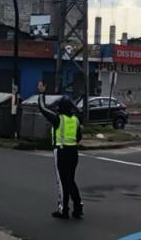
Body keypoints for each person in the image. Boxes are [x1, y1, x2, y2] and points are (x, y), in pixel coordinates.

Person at [37, 81, 84, 219]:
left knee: (62, 182)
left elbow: (42, 108)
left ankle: (63, 210)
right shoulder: (75, 120)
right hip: (74, 152)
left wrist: (41, 93)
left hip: (61, 152)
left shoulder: (58, 119)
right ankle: (78, 206)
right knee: (71, 180)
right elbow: (79, 137)